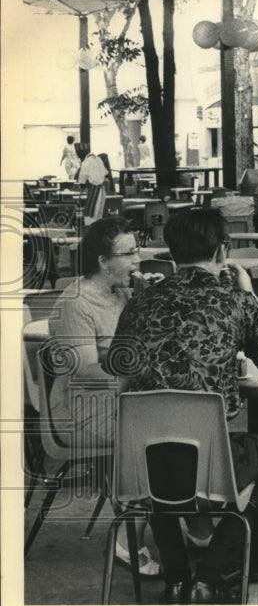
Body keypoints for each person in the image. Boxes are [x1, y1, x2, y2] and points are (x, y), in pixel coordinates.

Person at [108, 207, 258, 604]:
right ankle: (209, 577)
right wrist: (250, 295)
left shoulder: (136, 306)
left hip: (140, 469)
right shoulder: (236, 302)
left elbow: (124, 385)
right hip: (211, 467)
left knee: (156, 449)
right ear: (222, 251)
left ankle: (176, 577)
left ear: (171, 252)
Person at [48, 217, 164, 578]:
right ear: (102, 261)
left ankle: (186, 522)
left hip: (120, 399)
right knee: (155, 438)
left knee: (179, 425)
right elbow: (85, 372)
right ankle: (129, 540)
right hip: (80, 409)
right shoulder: (76, 303)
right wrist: (142, 375)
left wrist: (151, 299)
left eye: (137, 251)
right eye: (129, 253)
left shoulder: (122, 294)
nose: (137, 260)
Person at [78, 151, 110, 225]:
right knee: (99, 210)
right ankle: (97, 225)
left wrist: (82, 184)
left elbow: (83, 175)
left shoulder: (86, 162)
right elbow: (105, 172)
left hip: (94, 188)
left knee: (92, 210)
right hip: (102, 189)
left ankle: (90, 225)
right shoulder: (98, 159)